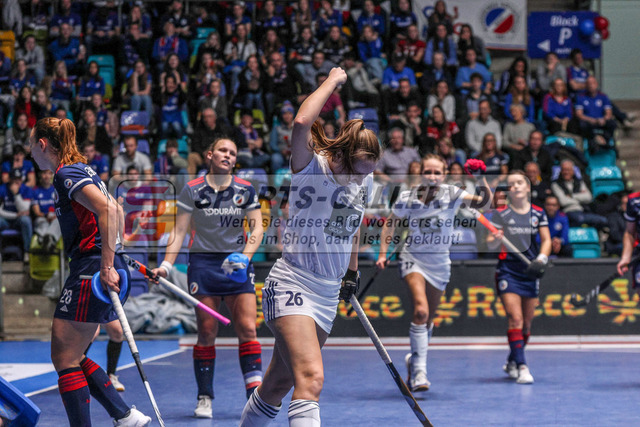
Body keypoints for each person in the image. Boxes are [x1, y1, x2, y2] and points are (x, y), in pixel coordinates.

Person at [239, 67, 381, 426]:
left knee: (278, 383)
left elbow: (352, 227)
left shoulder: (362, 180)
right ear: (342, 156)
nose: (362, 179)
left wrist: (352, 273)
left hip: (327, 294)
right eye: (359, 171)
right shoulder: (310, 168)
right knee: (312, 378)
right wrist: (333, 80)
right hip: (293, 284)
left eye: (368, 173)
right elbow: (302, 122)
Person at [28, 117, 151, 425]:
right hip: (99, 264)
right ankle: (125, 416)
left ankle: (118, 417)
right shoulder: (83, 169)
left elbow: (108, 210)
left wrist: (107, 264)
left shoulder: (66, 173)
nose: (29, 151)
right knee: (73, 354)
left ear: (42, 144)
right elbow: (118, 209)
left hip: (92, 268)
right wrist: (116, 254)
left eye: (31, 144)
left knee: (64, 357)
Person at [151, 137, 264, 418]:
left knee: (248, 329)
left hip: (237, 264)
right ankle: (204, 397)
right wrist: (166, 265)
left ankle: (254, 398)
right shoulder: (192, 189)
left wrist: (245, 258)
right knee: (206, 331)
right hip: (203, 266)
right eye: (223, 150)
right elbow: (179, 231)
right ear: (210, 155)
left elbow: (257, 228)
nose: (228, 155)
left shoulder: (246, 189)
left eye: (233, 153)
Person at [376, 154, 489, 392]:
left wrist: (480, 179)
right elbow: (390, 223)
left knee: (428, 321)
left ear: (444, 175)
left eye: (437, 172)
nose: (432, 176)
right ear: (421, 173)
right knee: (420, 311)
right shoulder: (407, 197)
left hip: (439, 264)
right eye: (428, 171)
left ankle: (414, 360)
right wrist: (383, 254)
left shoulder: (452, 194)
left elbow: (485, 203)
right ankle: (420, 372)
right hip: (413, 259)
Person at [486, 170, 551, 384]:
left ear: (528, 187)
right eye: (511, 184)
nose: (515, 186)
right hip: (508, 271)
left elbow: (546, 240)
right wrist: (496, 239)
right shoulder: (501, 214)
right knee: (515, 319)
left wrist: (541, 259)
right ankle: (523, 367)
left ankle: (512, 360)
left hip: (530, 271)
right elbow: (490, 244)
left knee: (526, 326)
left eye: (519, 183)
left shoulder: (538, 213)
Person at [550, 159, 607, 229]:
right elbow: (563, 202)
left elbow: (589, 197)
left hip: (584, 211)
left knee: (603, 220)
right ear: (561, 171)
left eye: (568, 170)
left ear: (573, 171)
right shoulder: (555, 184)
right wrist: (581, 198)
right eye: (564, 170)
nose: (566, 172)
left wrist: (571, 196)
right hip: (568, 212)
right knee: (580, 219)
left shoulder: (579, 182)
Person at [0, 168, 33, 262]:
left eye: (18, 179)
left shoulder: (26, 189)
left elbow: (24, 210)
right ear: (9, 179)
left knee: (26, 220)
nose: (17, 182)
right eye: (14, 179)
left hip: (19, 220)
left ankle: (27, 252)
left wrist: (16, 194)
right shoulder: (2, 189)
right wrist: (15, 215)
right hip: (5, 219)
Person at [32, 169, 61, 253]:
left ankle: (46, 239)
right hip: (42, 217)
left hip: (55, 217)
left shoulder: (57, 189)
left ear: (52, 175)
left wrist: (54, 216)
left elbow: (61, 208)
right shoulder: (35, 191)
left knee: (59, 221)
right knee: (41, 222)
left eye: (49, 173)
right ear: (40, 175)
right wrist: (46, 216)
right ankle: (49, 241)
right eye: (44, 173)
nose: (47, 176)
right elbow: (37, 212)